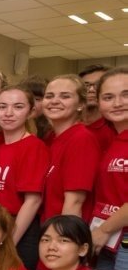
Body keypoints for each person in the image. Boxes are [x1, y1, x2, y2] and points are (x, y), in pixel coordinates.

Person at [0, 86, 49, 270]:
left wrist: (8, 244)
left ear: (30, 112)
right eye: (2, 106)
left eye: (17, 107)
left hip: (18, 230)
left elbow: (33, 201)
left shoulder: (33, 146)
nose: (8, 113)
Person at [41, 74, 100, 221]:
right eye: (49, 96)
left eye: (65, 96)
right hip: (49, 228)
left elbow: (74, 203)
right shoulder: (52, 138)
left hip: (64, 232)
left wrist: (61, 240)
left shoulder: (81, 139)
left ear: (80, 104)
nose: (54, 101)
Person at [92, 67, 128, 270]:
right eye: (108, 97)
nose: (118, 102)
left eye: (126, 94)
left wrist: (104, 230)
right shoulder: (113, 139)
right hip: (108, 241)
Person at [79, 64, 116, 152]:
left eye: (98, 85)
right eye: (86, 85)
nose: (91, 90)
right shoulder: (67, 126)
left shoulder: (116, 128)